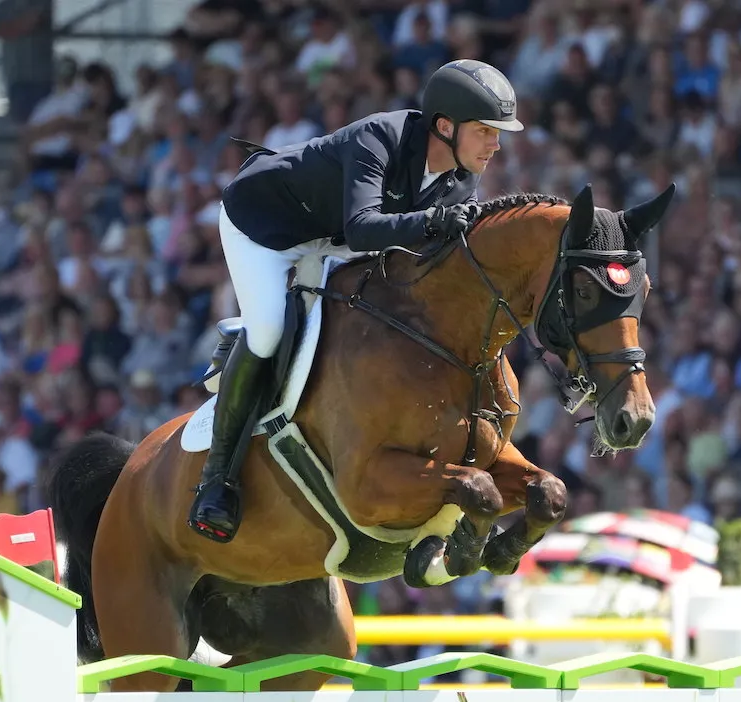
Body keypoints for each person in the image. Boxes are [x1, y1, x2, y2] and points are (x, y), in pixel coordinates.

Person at [188, 58, 525, 543]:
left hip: (334, 242)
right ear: (445, 127)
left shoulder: (460, 176)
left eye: (498, 132)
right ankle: (217, 480)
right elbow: (364, 228)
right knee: (268, 331)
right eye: (485, 131)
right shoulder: (379, 138)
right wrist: (433, 224)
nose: (495, 144)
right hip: (266, 228)